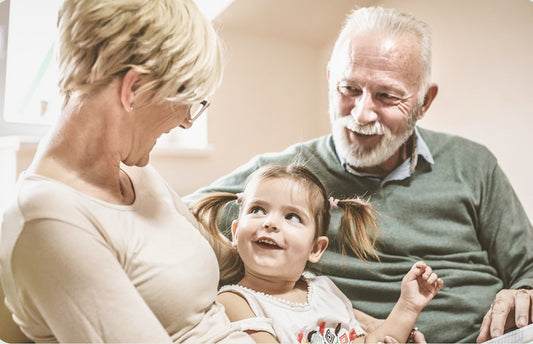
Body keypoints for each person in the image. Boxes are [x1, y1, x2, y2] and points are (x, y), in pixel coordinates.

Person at [183, 6, 533, 343]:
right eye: (349, 89)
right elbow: (176, 220)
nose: (362, 114)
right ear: (330, 80)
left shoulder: (473, 163)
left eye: (386, 96)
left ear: (424, 102)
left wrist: (524, 291)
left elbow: (528, 265)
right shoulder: (279, 182)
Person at [0, 0, 254, 343]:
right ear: (133, 88)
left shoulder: (137, 174)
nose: (186, 120)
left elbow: (233, 264)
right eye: (185, 97)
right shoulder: (47, 219)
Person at [191, 164, 443, 344]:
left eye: (292, 216)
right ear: (236, 232)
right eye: (258, 209)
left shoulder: (324, 290)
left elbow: (372, 340)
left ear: (316, 249)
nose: (270, 223)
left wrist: (408, 307)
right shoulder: (236, 301)